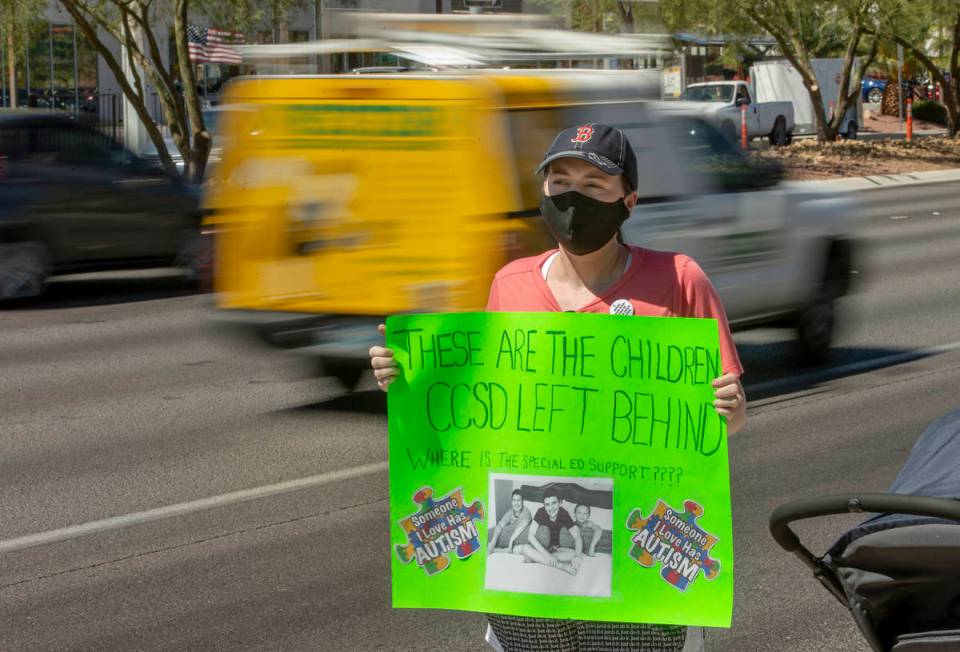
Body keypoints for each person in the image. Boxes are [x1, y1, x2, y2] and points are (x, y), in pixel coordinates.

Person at [369, 122, 746, 651]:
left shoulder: (680, 279)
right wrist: (407, 376)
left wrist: (730, 408)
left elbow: (729, 415)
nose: (573, 198)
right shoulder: (511, 283)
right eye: (560, 182)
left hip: (636, 562)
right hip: (529, 579)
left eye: (594, 186)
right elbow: (484, 409)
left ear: (628, 201)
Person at [512, 487, 582, 576]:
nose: (551, 508)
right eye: (547, 504)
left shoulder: (564, 514)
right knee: (526, 548)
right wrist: (547, 556)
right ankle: (562, 566)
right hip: (542, 549)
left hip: (556, 550)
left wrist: (577, 557)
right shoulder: (541, 512)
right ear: (544, 505)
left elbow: (577, 536)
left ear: (560, 502)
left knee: (573, 554)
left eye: (554, 503)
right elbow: (530, 536)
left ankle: (536, 559)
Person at [489, 489, 533, 554]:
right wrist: (493, 541)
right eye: (514, 500)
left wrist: (511, 541)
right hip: (510, 537)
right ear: (512, 502)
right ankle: (495, 549)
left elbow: (521, 527)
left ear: (522, 501)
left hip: (521, 538)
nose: (516, 503)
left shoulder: (526, 512)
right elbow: (500, 524)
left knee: (518, 549)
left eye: (518, 500)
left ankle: (496, 550)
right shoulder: (510, 512)